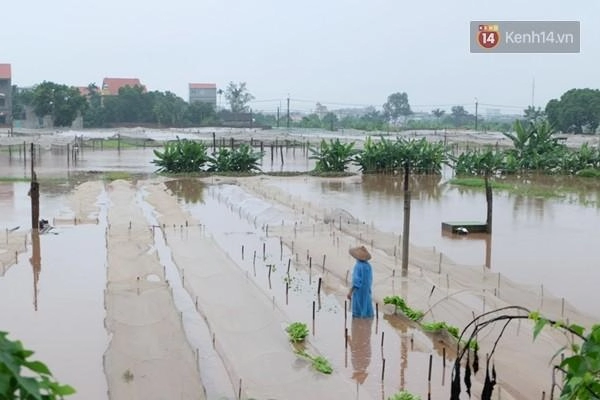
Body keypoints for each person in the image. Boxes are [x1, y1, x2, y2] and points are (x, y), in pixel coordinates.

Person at [346, 245, 374, 318]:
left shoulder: (358, 266)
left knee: (358, 311)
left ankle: (359, 325)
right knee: (366, 307)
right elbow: (370, 279)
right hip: (367, 290)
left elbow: (356, 282)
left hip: (359, 292)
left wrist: (350, 292)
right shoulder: (368, 266)